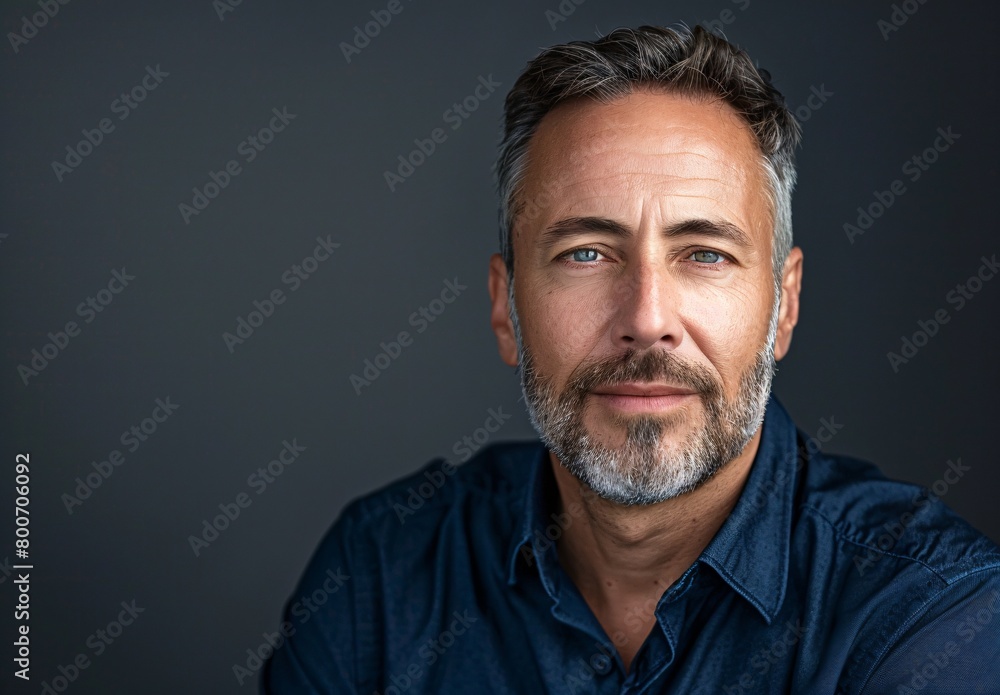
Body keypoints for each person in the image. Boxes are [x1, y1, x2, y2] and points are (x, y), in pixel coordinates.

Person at [262, 25, 1000, 694]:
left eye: (704, 254)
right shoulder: (380, 580)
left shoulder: (929, 611)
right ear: (505, 307)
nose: (646, 321)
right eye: (586, 253)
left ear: (785, 305)